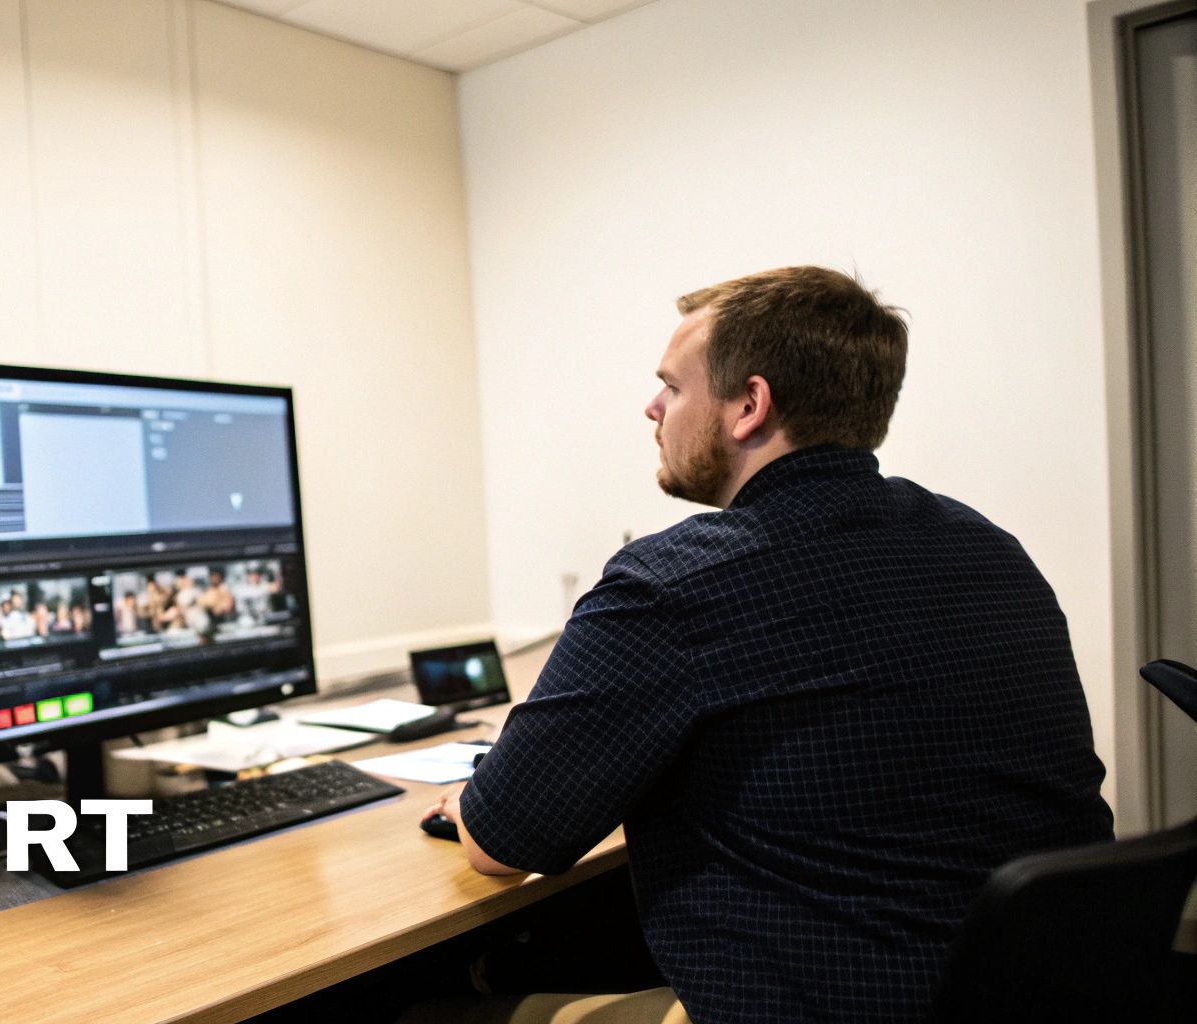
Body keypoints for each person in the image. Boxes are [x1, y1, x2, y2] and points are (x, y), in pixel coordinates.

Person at [421, 267, 1113, 1024]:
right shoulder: (989, 551)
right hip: (1034, 994)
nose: (651, 408)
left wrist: (472, 800)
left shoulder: (679, 581)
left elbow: (502, 842)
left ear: (748, 406)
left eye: (673, 388)